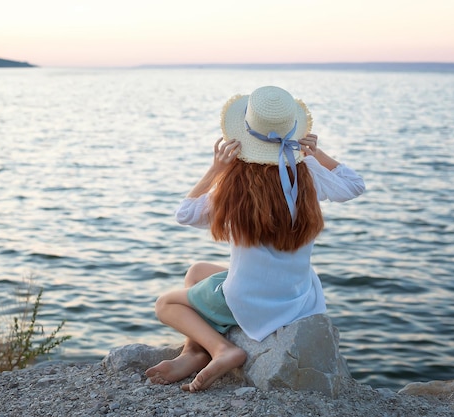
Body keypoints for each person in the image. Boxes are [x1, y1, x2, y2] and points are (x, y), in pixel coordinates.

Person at [146, 86, 365, 392]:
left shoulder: (234, 186)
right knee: (196, 272)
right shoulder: (309, 174)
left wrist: (216, 169)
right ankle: (194, 351)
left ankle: (222, 350)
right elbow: (355, 185)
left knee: (165, 303)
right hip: (299, 297)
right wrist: (318, 153)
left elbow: (184, 213)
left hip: (251, 300)